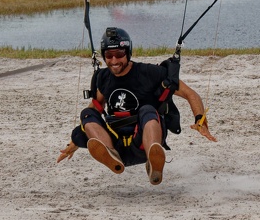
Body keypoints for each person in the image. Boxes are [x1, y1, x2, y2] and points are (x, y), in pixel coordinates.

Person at [57, 26, 217, 185]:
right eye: (109, 55)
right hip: (116, 144)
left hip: (142, 141)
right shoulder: (103, 78)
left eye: (119, 55)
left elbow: (191, 94)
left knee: (147, 109)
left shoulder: (150, 73)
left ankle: (153, 160)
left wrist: (200, 119)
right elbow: (95, 109)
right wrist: (76, 139)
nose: (114, 61)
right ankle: (110, 154)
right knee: (86, 112)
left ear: (128, 52)